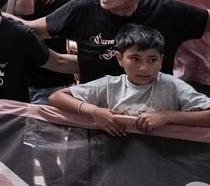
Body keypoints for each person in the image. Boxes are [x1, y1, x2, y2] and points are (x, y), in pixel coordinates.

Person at [27, 0, 209, 84]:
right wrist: (54, 60)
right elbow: (30, 31)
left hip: (152, 116)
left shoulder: (166, 11)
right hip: (96, 113)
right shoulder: (82, 9)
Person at [49, 25, 210, 135]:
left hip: (162, 165)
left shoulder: (172, 86)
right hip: (116, 165)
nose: (144, 68)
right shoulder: (110, 84)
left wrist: (167, 116)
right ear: (120, 59)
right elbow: (56, 97)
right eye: (135, 59)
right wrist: (94, 111)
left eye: (152, 60)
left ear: (161, 60)